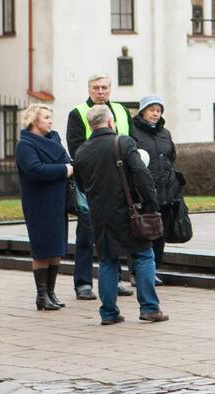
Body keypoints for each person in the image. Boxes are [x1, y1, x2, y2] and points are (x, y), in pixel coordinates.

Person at [73, 105, 168, 325]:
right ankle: (150, 308)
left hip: (99, 215)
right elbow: (141, 175)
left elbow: (80, 183)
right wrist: (151, 205)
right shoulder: (123, 142)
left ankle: (108, 313)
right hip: (129, 211)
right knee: (143, 256)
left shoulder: (82, 151)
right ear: (110, 122)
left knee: (107, 261)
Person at [66, 73, 135, 300]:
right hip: (93, 182)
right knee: (86, 235)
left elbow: (131, 141)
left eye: (104, 87)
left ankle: (114, 281)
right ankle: (83, 283)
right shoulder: (77, 113)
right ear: (89, 90)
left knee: (115, 234)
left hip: (120, 181)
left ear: (110, 89)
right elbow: (76, 150)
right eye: (96, 88)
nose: (101, 91)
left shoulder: (121, 111)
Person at [15, 103, 74, 311]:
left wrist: (67, 168)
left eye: (51, 117)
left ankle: (51, 292)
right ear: (34, 120)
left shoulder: (55, 139)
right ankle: (41, 295)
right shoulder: (25, 145)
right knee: (42, 249)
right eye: (46, 117)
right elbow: (34, 169)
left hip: (58, 199)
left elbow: (68, 161)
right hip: (38, 202)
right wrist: (63, 170)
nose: (50, 121)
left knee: (57, 247)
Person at [130, 95, 180, 282]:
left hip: (165, 190)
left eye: (158, 111)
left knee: (160, 233)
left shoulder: (165, 133)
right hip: (143, 190)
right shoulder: (133, 132)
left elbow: (171, 156)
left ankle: (153, 270)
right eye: (152, 110)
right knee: (142, 232)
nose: (155, 114)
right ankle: (136, 271)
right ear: (143, 111)